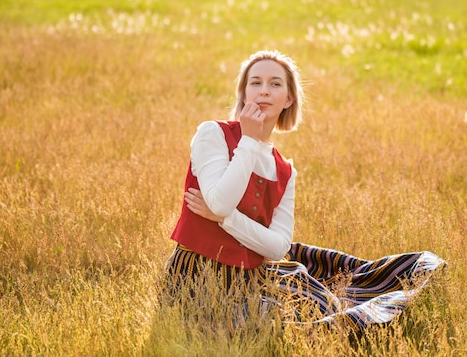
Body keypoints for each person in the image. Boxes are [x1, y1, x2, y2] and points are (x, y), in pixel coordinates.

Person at [160, 50, 445, 331]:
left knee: (323, 306)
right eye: (255, 83)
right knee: (259, 325)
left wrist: (225, 220)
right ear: (244, 93)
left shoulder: (285, 170)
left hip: (252, 276)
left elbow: (277, 246)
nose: (264, 91)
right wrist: (248, 140)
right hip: (196, 273)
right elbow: (221, 201)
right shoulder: (213, 134)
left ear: (289, 98)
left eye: (275, 84)